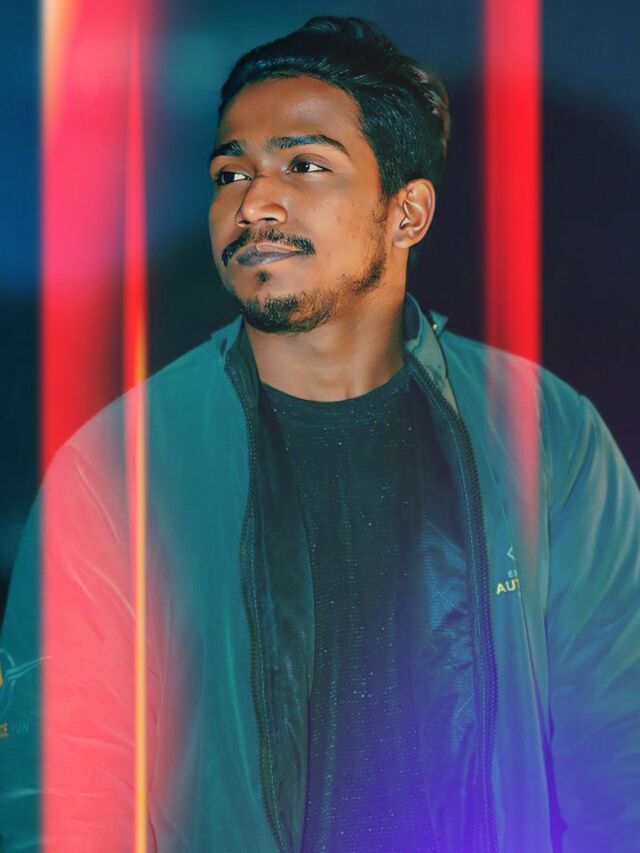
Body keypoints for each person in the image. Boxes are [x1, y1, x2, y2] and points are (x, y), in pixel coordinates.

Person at [1, 16, 638, 853]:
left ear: (407, 213)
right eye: (231, 172)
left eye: (304, 164)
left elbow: (619, 754)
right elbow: (62, 793)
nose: (253, 202)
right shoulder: (120, 464)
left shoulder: (547, 434)